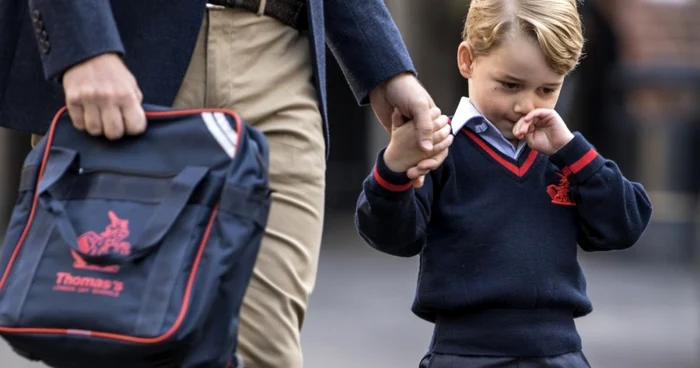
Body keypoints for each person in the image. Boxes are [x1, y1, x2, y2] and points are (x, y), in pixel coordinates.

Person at [0, 0, 451, 367]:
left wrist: (385, 66)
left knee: (262, 351)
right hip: (125, 60)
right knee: (113, 343)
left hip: (276, 59)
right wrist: (84, 43)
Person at [354, 0, 653, 367]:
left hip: (559, 355)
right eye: (510, 85)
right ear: (467, 60)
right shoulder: (440, 148)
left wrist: (573, 152)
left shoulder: (566, 156)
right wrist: (394, 167)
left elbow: (626, 226)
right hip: (464, 354)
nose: (526, 105)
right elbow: (392, 235)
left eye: (547, 90)